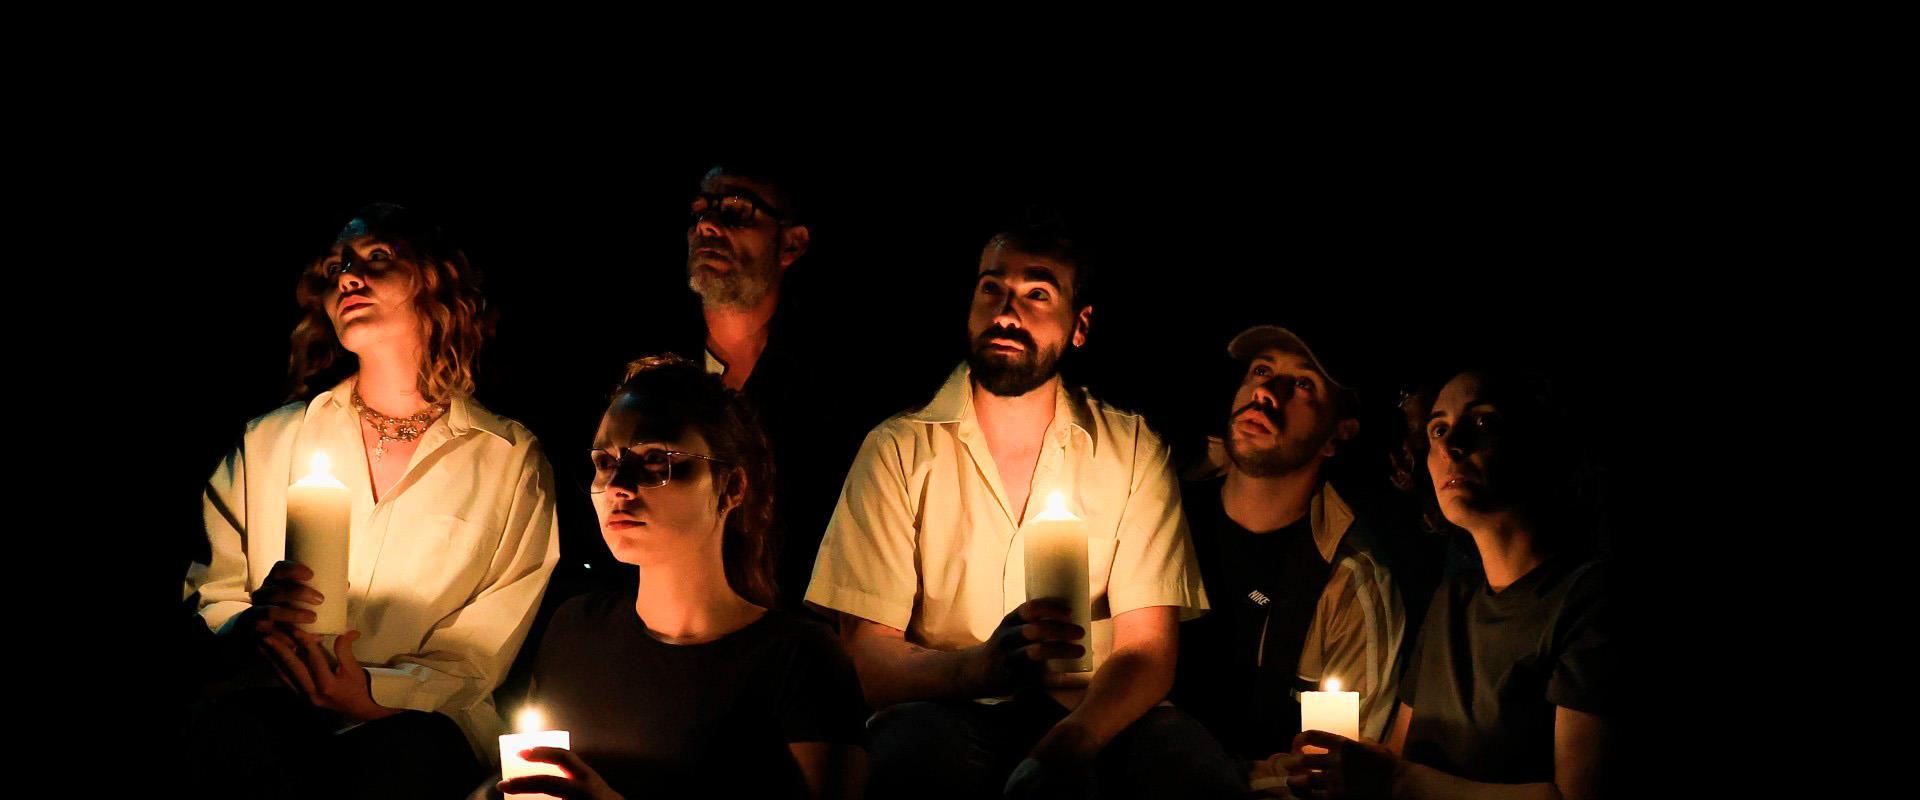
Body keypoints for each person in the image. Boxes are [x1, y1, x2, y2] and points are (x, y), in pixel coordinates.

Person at [806, 222, 1244, 799]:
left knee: (1186, 767)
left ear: (1079, 325)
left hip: (1095, 711)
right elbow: (867, 655)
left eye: (1037, 293)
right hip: (949, 706)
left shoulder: (1132, 448)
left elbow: (1148, 649)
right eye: (992, 288)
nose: (1006, 313)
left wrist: (1069, 743)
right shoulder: (898, 449)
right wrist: (981, 667)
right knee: (909, 757)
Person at [184, 203, 561, 798]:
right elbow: (213, 592)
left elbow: (482, 646)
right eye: (338, 266)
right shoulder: (269, 441)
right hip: (266, 719)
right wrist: (250, 626)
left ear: (436, 280)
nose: (348, 277)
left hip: (415, 738)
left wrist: (375, 694)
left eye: (377, 257)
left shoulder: (507, 460)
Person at [499, 354, 866, 800]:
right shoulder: (575, 629)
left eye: (656, 459)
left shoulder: (800, 658)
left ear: (731, 487)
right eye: (605, 461)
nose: (618, 485)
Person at [1283, 369, 1611, 800]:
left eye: (1483, 421)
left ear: (1538, 442)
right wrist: (1347, 768)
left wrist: (1394, 780)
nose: (1451, 444)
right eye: (1438, 429)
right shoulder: (1452, 600)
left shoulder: (1590, 601)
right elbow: (1399, 758)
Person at [1172, 327, 1405, 767]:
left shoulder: (1351, 583)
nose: (1266, 391)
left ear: (1337, 435)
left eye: (1302, 384)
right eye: (1261, 370)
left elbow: (1344, 772)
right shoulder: (1161, 512)